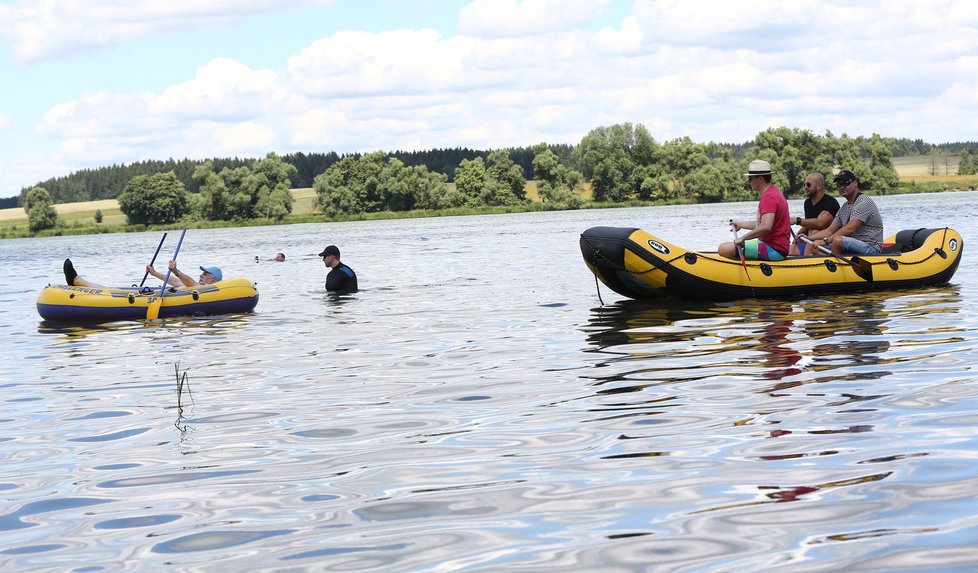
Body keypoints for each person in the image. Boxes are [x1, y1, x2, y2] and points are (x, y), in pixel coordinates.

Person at [718, 159, 790, 261]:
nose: (749, 182)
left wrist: (743, 238)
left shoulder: (769, 197)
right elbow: (761, 225)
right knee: (729, 247)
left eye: (750, 178)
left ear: (760, 179)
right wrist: (740, 224)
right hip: (776, 247)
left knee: (724, 248)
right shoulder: (773, 193)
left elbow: (765, 227)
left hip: (774, 249)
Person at [806, 170, 884, 256]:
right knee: (813, 247)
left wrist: (825, 241)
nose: (842, 187)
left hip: (871, 247)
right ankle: (828, 262)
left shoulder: (863, 202)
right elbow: (830, 231)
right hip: (852, 246)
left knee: (838, 240)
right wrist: (809, 238)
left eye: (846, 183)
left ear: (855, 183)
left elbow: (850, 229)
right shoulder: (844, 207)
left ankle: (833, 265)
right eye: (839, 184)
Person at [64, 258, 222, 289]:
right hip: (170, 293)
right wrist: (154, 273)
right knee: (112, 290)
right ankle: (78, 281)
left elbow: (191, 284)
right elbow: (175, 282)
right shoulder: (196, 284)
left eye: (205, 273)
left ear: (212, 278)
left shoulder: (205, 288)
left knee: (110, 292)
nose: (201, 275)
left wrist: (176, 270)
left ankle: (78, 281)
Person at [788, 172, 840, 255]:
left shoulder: (831, 203)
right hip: (810, 240)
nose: (805, 187)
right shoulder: (807, 203)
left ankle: (807, 261)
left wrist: (797, 220)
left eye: (808, 185)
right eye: (804, 184)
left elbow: (820, 224)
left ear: (819, 186)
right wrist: (796, 239)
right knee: (791, 249)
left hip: (825, 242)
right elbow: (807, 225)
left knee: (814, 231)